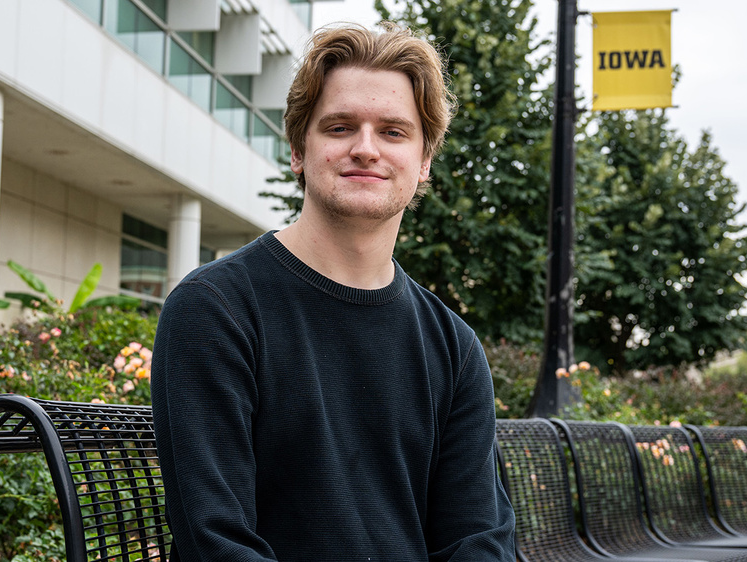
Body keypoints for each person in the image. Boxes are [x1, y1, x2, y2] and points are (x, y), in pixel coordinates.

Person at [149, 23, 518, 562]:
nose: (365, 148)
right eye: (341, 127)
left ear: (423, 163)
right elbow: (217, 541)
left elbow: (477, 538)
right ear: (300, 150)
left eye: (393, 132)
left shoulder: (453, 346)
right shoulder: (216, 310)